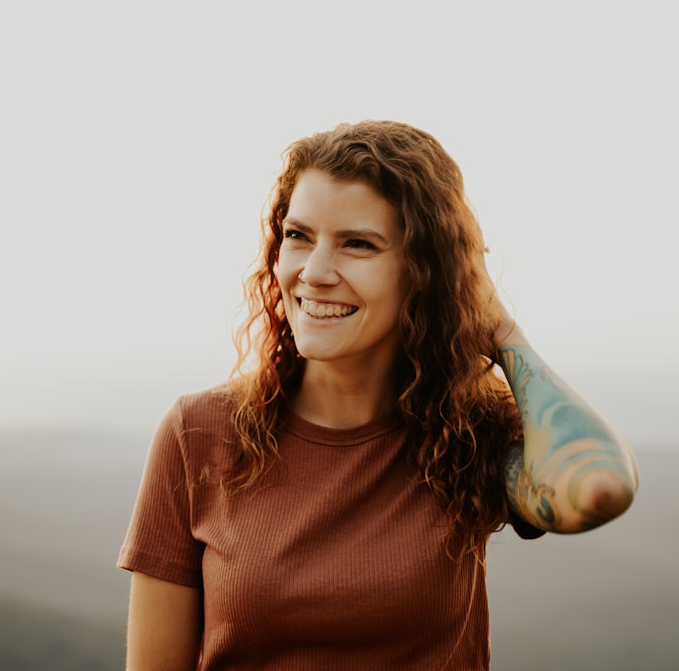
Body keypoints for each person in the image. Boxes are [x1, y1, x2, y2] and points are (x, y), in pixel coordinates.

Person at [117, 120, 639, 669]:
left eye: (358, 244)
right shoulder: (198, 434)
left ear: (423, 273)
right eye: (298, 236)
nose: (314, 273)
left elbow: (598, 488)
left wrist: (507, 337)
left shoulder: (469, 431)